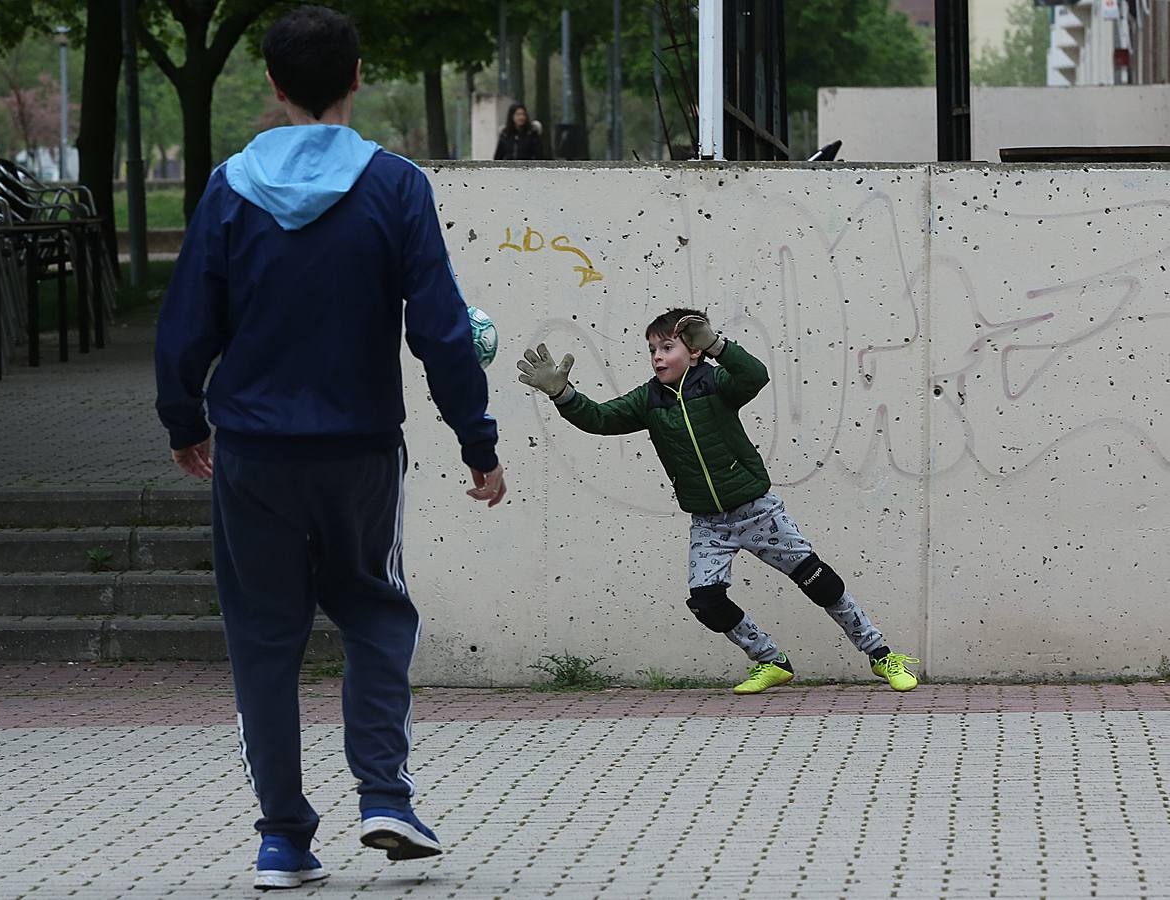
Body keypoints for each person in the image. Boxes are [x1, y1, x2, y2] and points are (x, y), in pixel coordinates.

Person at [154, 5, 507, 890]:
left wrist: (183, 421)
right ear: (356, 79)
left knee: (264, 642)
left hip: (253, 457)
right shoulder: (394, 187)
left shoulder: (229, 188)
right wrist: (477, 442)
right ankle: (384, 795)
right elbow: (440, 331)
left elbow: (187, 323)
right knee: (377, 614)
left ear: (273, 85)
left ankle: (282, 839)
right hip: (357, 452)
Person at [516, 309, 919, 696]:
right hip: (710, 523)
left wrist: (718, 346)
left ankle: (882, 655)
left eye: (668, 346)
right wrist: (562, 393)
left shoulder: (715, 383)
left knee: (818, 581)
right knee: (706, 601)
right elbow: (600, 419)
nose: (657, 356)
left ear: (693, 349)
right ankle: (771, 661)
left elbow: (754, 376)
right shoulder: (649, 400)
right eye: (653, 349)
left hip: (757, 511)